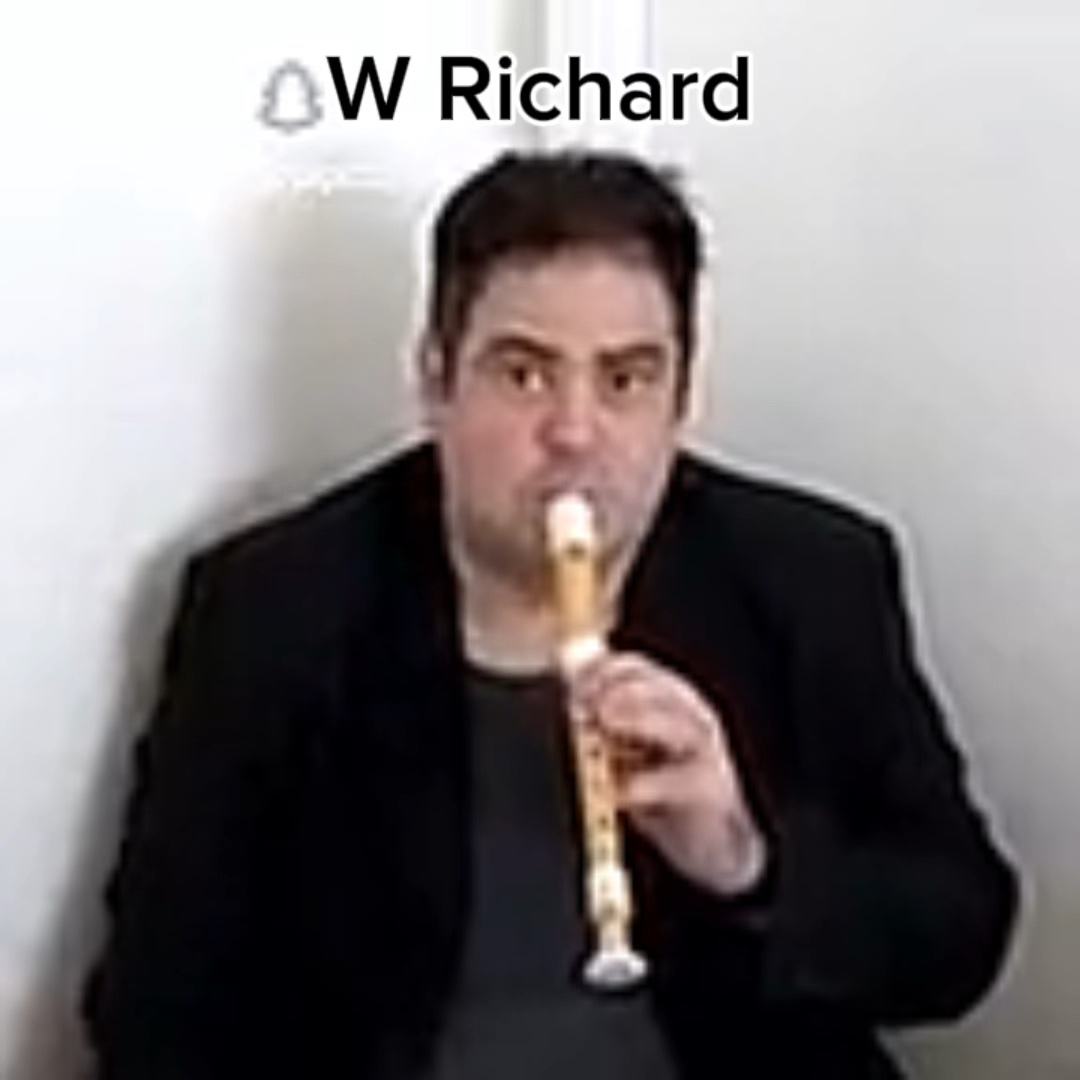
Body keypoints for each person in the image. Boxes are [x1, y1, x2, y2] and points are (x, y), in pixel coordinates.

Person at [82, 149, 1019, 1080]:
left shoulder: (811, 576)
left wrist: (744, 857)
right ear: (437, 381)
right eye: (525, 374)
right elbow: (154, 1011)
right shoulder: (272, 607)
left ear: (682, 400)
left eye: (626, 380)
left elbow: (962, 938)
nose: (574, 433)